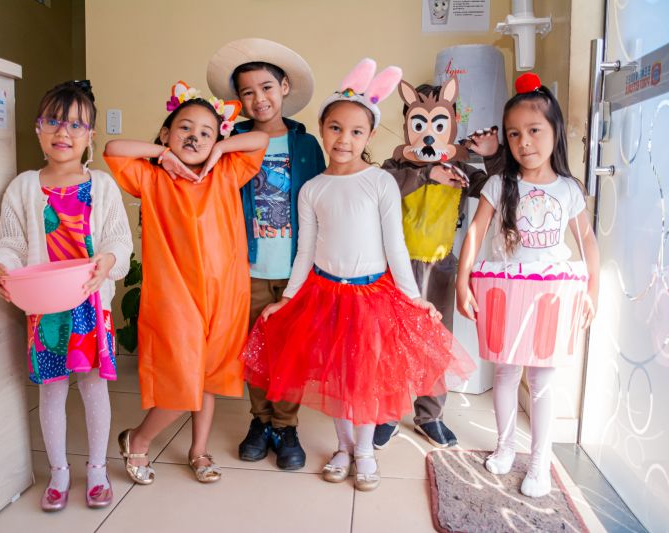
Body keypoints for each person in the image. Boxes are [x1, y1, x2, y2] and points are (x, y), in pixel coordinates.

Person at [241, 59, 474, 491]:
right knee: (338, 378)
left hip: (372, 297)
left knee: (365, 379)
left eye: (355, 131)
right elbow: (306, 251)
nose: (343, 139)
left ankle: (364, 451)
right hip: (324, 294)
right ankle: (343, 448)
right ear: (322, 129)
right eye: (335, 128)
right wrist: (288, 298)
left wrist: (413, 297)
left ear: (369, 136)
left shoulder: (379, 182)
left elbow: (395, 246)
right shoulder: (313, 188)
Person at [104, 81, 268, 484]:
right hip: (176, 296)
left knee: (208, 375)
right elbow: (113, 148)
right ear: (166, 133)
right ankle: (138, 439)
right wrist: (162, 155)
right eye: (184, 128)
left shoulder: (227, 172)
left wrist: (220, 151)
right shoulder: (151, 178)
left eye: (206, 132)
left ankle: (199, 450)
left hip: (224, 294)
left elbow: (259, 138)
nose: (194, 137)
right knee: (184, 378)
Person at [0, 80, 133, 511]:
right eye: (52, 121)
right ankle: (59, 473)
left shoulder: (102, 185)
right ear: (38, 129)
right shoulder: (23, 187)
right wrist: (1, 265)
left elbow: (119, 241)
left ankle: (98, 470)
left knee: (93, 388)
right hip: (45, 308)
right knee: (51, 391)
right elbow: (12, 243)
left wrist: (108, 260)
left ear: (90, 136)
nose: (62, 132)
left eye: (75, 125)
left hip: (89, 305)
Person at [456, 73, 600, 498]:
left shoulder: (569, 189)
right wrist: (463, 283)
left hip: (552, 295)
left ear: (555, 130)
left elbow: (587, 241)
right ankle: (505, 447)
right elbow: (475, 233)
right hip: (507, 292)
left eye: (534, 130)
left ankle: (539, 461)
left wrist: (592, 291)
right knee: (505, 371)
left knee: (542, 381)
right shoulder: (500, 184)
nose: (524, 142)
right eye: (514, 134)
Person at [207, 38, 325, 469]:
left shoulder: (306, 145)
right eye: (248, 92)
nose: (259, 99)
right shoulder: (230, 140)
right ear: (238, 100)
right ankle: (260, 421)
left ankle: (286, 425)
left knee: (290, 351)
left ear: (284, 87)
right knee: (255, 350)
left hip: (295, 269)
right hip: (248, 268)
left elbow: (321, 204)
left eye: (267, 88)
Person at [374, 78, 504, 449]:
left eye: (438, 124)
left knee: (435, 345)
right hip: (394, 270)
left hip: (440, 269)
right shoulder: (393, 166)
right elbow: (381, 186)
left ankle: (429, 415)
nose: (429, 133)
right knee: (391, 344)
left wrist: (492, 155)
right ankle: (387, 414)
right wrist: (423, 174)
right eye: (419, 123)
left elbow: (497, 188)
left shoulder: (461, 169)